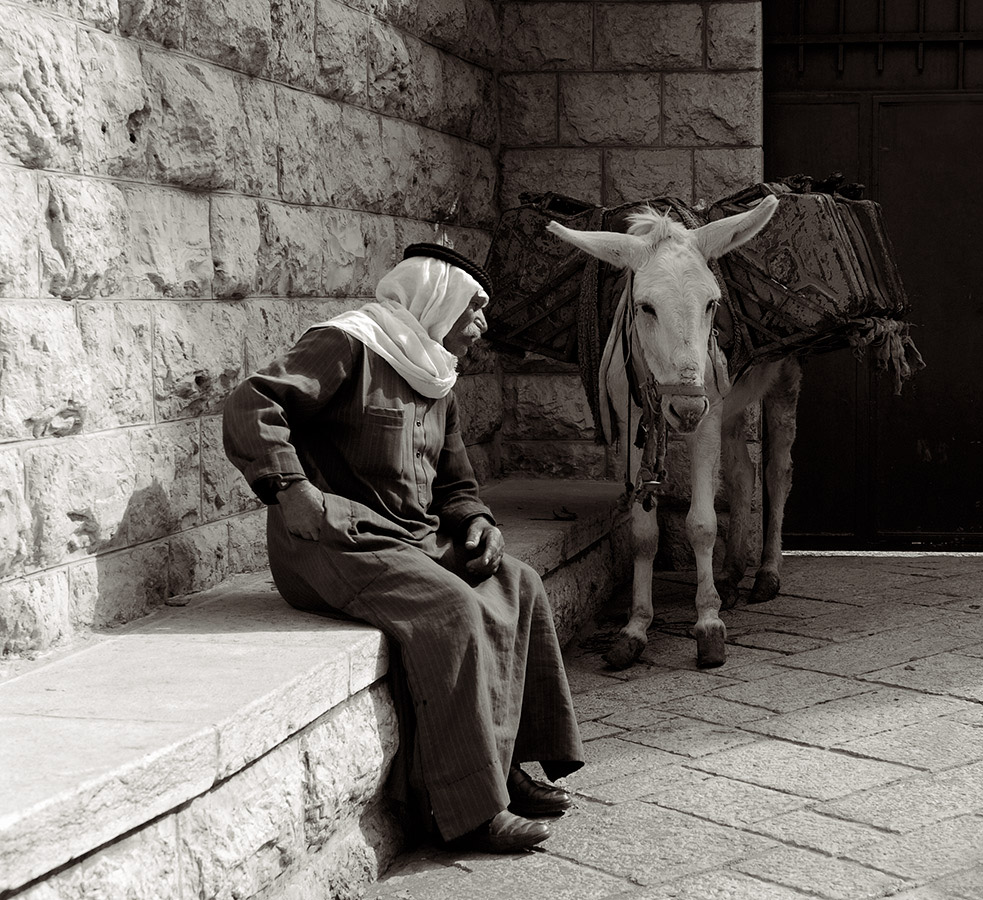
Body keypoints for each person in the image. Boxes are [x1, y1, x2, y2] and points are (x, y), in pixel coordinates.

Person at [222, 243, 584, 853]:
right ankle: (469, 810)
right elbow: (251, 402)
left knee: (516, 583)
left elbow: (457, 480)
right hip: (333, 539)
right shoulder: (348, 344)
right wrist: (291, 490)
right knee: (451, 608)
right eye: (475, 308)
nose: (483, 324)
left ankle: (503, 768)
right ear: (436, 301)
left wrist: (477, 521)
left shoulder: (436, 371)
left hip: (407, 539)